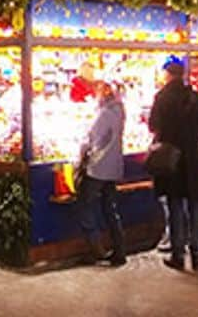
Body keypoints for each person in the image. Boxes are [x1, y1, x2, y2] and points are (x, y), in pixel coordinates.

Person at [149, 60, 198, 271]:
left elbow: (153, 126)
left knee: (175, 207)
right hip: (194, 160)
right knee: (195, 209)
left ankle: (178, 254)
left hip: (172, 160)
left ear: (168, 74)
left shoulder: (162, 98)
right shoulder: (196, 98)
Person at [76, 81, 126, 267]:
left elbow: (93, 140)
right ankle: (120, 250)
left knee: (84, 206)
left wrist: (83, 154)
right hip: (113, 167)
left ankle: (96, 249)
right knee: (110, 209)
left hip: (97, 167)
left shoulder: (104, 114)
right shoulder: (119, 111)